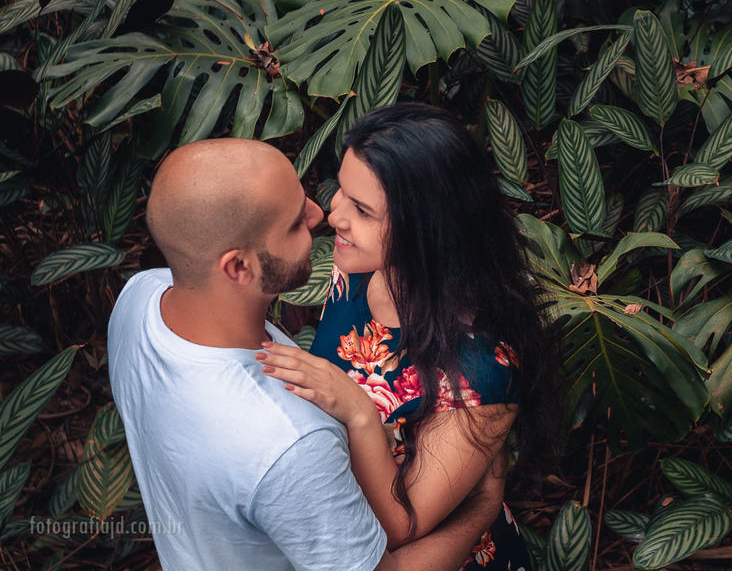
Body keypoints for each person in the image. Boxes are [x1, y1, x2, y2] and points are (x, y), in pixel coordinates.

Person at [108, 138, 506, 571]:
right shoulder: (291, 444)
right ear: (238, 267)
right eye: (296, 223)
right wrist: (480, 511)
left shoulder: (139, 299)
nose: (322, 216)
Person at [254, 103, 559, 569]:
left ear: (429, 228)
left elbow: (403, 526)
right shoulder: (356, 267)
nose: (333, 213)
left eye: (362, 209)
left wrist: (357, 409)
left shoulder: (482, 369)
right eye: (342, 191)